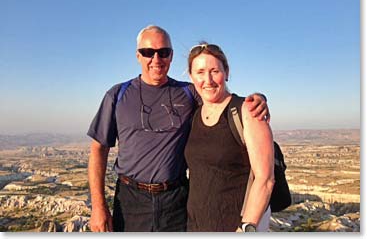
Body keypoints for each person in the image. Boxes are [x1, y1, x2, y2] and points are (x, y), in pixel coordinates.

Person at [87, 25, 270, 232]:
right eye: (148, 52)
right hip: (131, 201)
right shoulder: (118, 94)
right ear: (138, 55)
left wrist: (258, 99)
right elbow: (98, 149)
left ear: (171, 56)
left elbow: (219, 96)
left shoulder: (188, 92)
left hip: (175, 200)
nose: (156, 59)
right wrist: (98, 206)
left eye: (163, 52)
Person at [184, 42, 275, 232]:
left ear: (226, 72)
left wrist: (245, 228)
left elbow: (265, 179)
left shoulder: (247, 111)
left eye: (214, 71)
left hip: (236, 227)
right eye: (200, 72)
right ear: (191, 76)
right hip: (197, 226)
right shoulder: (194, 115)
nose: (207, 80)